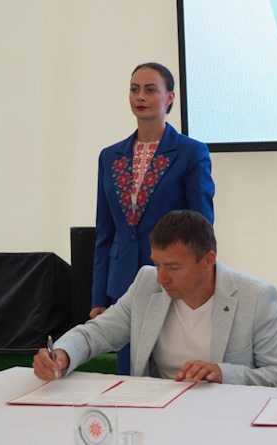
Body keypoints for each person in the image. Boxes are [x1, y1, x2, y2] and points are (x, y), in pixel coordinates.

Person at [35, 210, 277, 388]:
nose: (161, 278)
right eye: (157, 264)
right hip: (157, 415)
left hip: (226, 420)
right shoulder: (146, 283)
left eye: (173, 268)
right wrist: (63, 353)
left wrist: (223, 373)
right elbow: (96, 333)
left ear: (208, 260)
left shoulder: (257, 296)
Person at [92, 62, 215, 375]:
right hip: (122, 284)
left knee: (173, 371)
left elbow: (201, 227)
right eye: (134, 89)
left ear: (170, 97)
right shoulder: (110, 156)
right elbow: (105, 233)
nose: (140, 97)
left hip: (173, 281)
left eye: (150, 90)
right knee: (129, 375)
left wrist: (201, 285)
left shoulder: (191, 152)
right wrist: (98, 298)